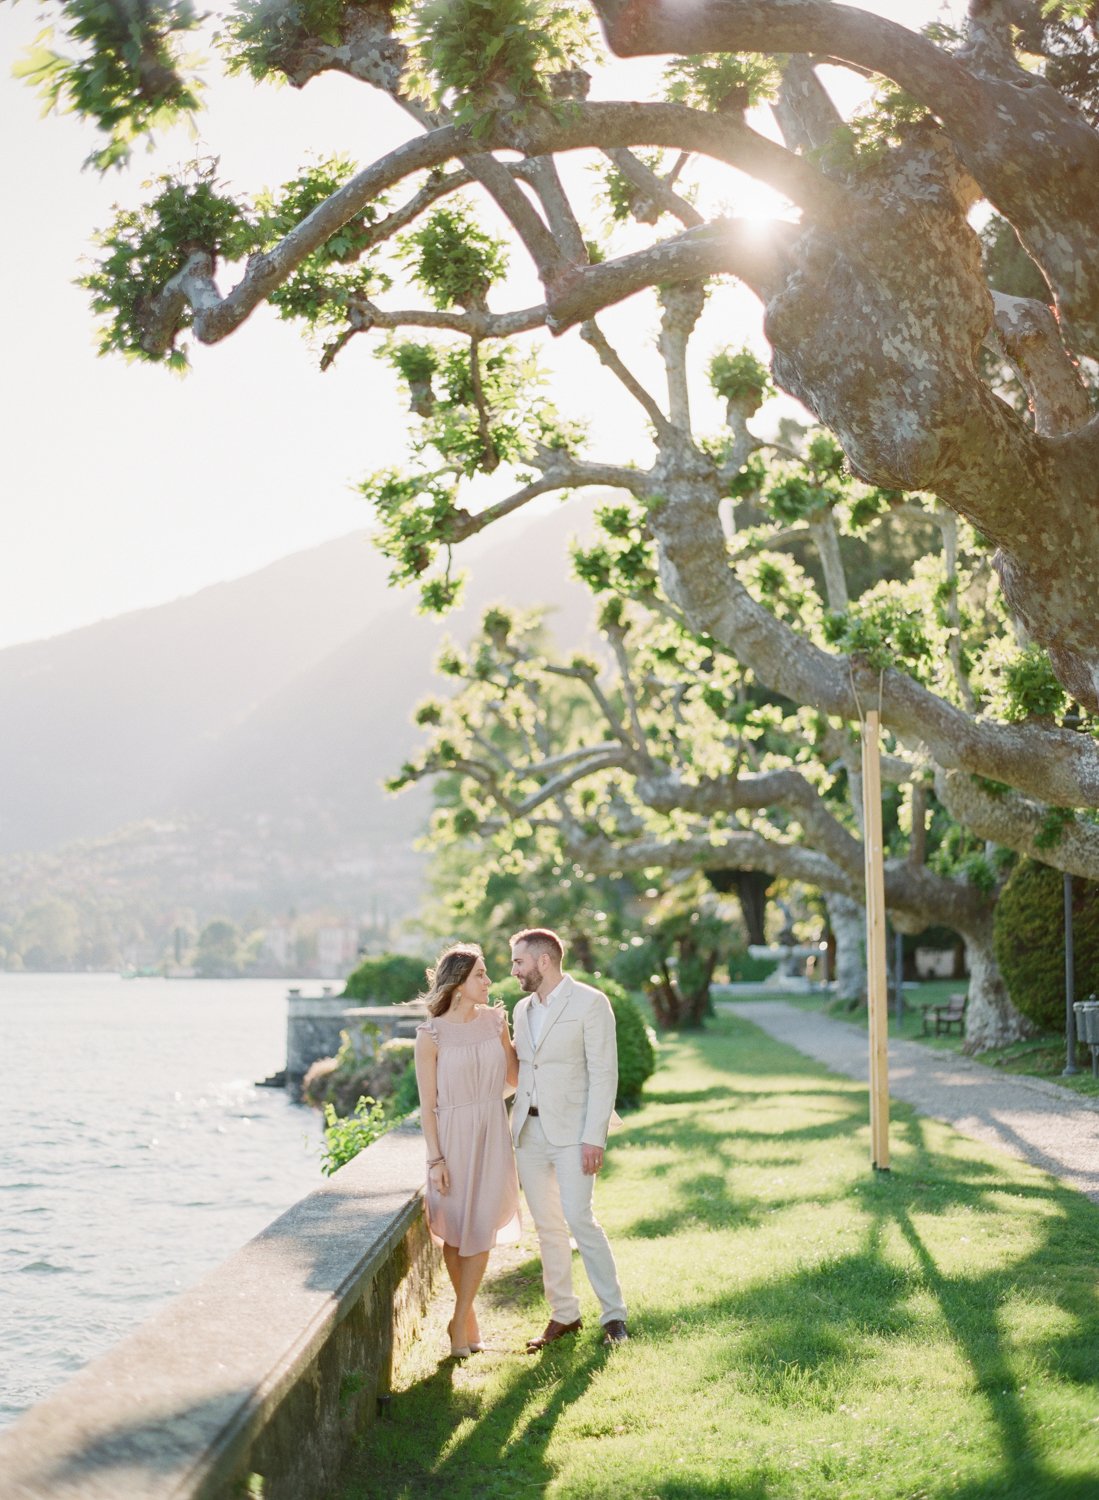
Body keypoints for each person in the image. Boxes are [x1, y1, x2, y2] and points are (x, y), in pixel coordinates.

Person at [509, 927, 629, 1349]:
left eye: (518, 962)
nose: (514, 971)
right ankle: (564, 1315)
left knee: (580, 1218)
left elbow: (603, 1073)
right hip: (528, 1131)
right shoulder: (521, 1009)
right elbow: (522, 1069)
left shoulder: (591, 1003)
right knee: (547, 1227)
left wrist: (594, 1136)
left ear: (544, 960)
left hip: (575, 1133)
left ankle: (614, 1316)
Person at [414, 943, 520, 1357]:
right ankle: (468, 1318)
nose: (489, 981)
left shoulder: (497, 1021)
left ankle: (457, 1322)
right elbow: (427, 1105)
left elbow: (514, 1076)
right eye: (480, 974)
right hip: (451, 1136)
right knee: (456, 1233)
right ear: (458, 983)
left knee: (481, 1227)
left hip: (492, 1131)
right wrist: (435, 1159)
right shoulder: (430, 1035)